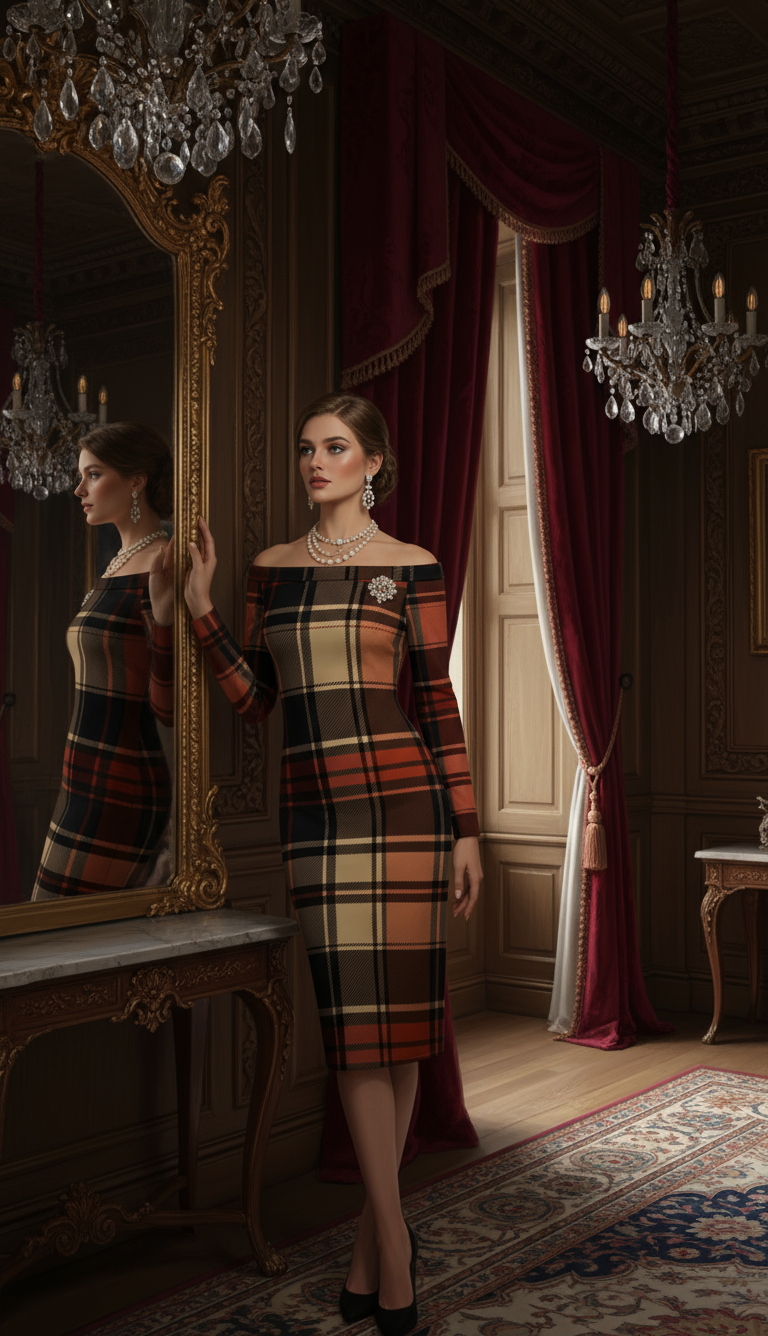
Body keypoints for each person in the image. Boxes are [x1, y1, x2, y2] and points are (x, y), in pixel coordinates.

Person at [185, 392, 482, 1336]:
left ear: (374, 464)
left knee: (392, 1037)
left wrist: (467, 828)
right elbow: (255, 703)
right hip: (314, 822)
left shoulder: (413, 570)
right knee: (357, 1032)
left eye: (337, 448)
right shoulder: (271, 572)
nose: (316, 462)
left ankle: (375, 1260)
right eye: (308, 448)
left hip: (406, 812)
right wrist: (200, 613)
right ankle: (394, 1249)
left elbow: (435, 703)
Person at [32, 423, 175, 900]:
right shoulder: (115, 563)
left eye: (93, 475)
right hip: (83, 779)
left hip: (122, 785)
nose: (79, 489)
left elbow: (168, 704)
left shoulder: (162, 561)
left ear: (135, 480)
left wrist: (165, 617)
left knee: (49, 934)